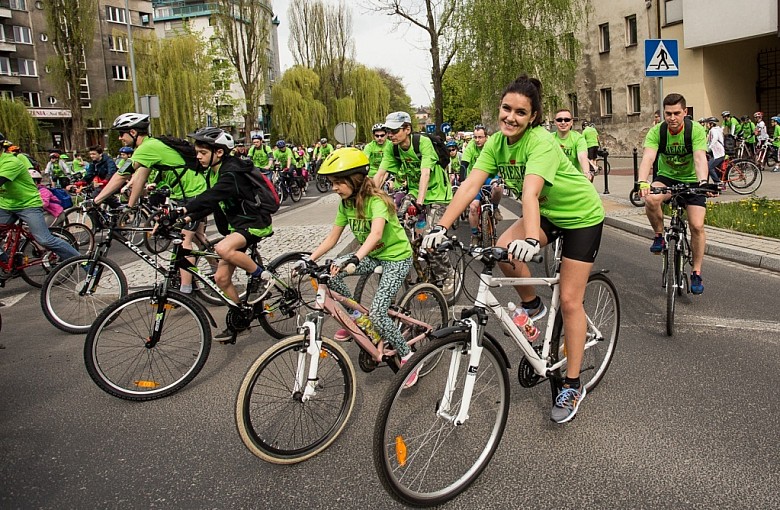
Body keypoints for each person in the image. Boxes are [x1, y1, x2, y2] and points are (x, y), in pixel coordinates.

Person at [422, 75, 604, 423]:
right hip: (549, 213)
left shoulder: (541, 142)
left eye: (521, 112)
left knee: (569, 301)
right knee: (502, 250)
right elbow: (468, 186)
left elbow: (530, 194)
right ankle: (533, 305)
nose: (511, 117)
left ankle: (573, 383)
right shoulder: (494, 143)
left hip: (581, 215)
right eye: (506, 109)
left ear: (533, 117)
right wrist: (441, 227)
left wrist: (533, 240)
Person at [302, 148, 418, 386]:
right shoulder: (345, 204)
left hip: (396, 257)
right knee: (331, 274)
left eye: (337, 182)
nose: (333, 187)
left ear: (354, 179)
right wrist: (309, 259)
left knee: (378, 311)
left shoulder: (377, 201)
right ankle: (355, 318)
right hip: (374, 256)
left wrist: (354, 258)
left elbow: (375, 234)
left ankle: (408, 356)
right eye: (331, 182)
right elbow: (332, 239)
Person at [174, 127, 274, 341]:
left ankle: (263, 277)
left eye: (202, 152)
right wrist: (187, 219)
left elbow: (212, 195)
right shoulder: (214, 172)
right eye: (197, 152)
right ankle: (240, 318)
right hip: (236, 226)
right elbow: (212, 203)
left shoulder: (231, 172)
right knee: (220, 278)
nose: (198, 156)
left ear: (218, 152)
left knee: (222, 248)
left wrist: (184, 208)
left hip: (254, 223)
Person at [372, 111, 455, 296]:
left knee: (430, 237)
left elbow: (425, 173)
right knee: (397, 226)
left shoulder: (422, 143)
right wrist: (365, 199)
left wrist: (419, 203)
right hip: (415, 191)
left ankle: (448, 273)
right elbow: (381, 173)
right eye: (387, 131)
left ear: (407, 129)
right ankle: (409, 262)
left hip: (437, 194)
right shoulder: (392, 147)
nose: (390, 135)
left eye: (394, 130)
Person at [637, 93, 710, 295]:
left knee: (697, 225)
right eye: (668, 113)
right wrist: (643, 181)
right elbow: (648, 158)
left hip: (692, 180)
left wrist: (703, 183)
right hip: (666, 178)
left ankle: (696, 272)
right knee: (651, 199)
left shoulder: (695, 130)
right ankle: (659, 235)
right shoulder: (656, 132)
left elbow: (699, 158)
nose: (672, 117)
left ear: (685, 112)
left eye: (677, 113)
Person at [0, 133, 79, 276]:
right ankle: (7, 263)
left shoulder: (11, 162)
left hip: (27, 205)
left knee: (44, 239)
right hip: (6, 205)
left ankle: (84, 262)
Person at [462, 125, 505, 245]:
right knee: (473, 208)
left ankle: (495, 208)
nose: (477, 140)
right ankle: (475, 235)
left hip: (490, 177)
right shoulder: (471, 145)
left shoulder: (492, 144)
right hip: (475, 179)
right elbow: (464, 163)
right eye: (475, 137)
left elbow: (501, 159)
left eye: (480, 137)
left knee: (497, 188)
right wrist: (462, 178)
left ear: (486, 137)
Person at [553, 108, 593, 181]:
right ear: (555, 122)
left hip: (574, 179)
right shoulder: (549, 139)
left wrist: (586, 172)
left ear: (571, 122)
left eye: (567, 120)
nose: (563, 122)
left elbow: (582, 156)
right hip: (555, 179)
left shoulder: (578, 138)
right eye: (559, 120)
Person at [705, 117, 726, 188]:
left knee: (709, 167)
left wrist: (709, 147)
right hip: (718, 153)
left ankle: (718, 183)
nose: (706, 125)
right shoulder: (717, 129)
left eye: (707, 123)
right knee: (714, 168)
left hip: (718, 154)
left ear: (711, 124)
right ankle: (717, 183)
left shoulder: (713, 130)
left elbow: (715, 138)